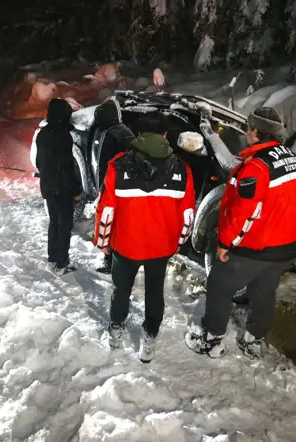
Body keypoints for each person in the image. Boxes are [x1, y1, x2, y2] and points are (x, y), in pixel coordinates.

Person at [185, 106, 296, 359]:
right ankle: (254, 339)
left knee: (218, 284)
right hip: (284, 247)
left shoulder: (256, 167)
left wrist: (226, 244)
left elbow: (245, 212)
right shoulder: (292, 160)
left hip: (257, 246)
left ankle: (211, 339)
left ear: (255, 132)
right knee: (264, 292)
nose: (247, 131)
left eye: (249, 127)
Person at [94, 114, 195, 362]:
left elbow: (106, 211)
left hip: (126, 245)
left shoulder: (118, 165)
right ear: (164, 136)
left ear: (138, 136)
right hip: (160, 248)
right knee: (154, 294)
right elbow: (188, 216)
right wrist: (177, 243)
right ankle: (148, 342)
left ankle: (115, 335)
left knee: (121, 291)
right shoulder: (182, 169)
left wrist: (103, 242)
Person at [35, 98, 82, 275]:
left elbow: (40, 162)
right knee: (65, 224)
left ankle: (53, 258)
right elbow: (66, 167)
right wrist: (75, 190)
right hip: (61, 187)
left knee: (54, 222)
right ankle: (62, 263)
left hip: (47, 185)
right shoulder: (63, 136)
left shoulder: (43, 133)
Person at [91, 98, 135, 273]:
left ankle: (111, 260)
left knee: (111, 221)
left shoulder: (109, 134)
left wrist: (102, 188)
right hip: (128, 184)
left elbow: (104, 165)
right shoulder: (125, 131)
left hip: (114, 185)